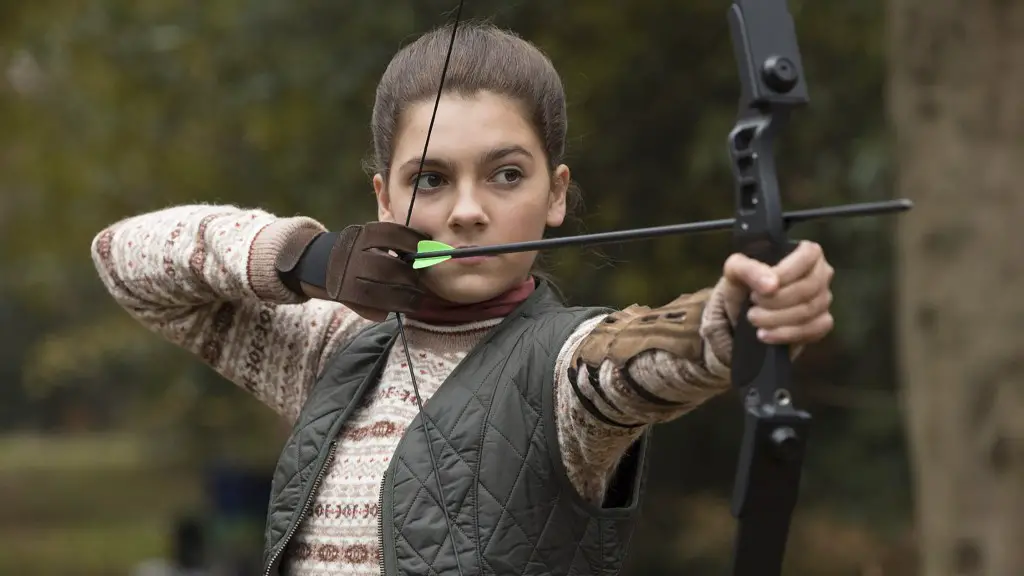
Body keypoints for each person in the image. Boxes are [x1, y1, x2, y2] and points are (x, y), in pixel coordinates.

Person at [92, 21, 835, 576]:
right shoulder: (335, 350)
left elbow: (638, 358)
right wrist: (302, 258)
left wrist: (738, 318)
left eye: (506, 175)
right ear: (385, 197)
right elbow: (122, 260)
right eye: (432, 178)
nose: (468, 211)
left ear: (556, 193)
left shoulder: (562, 372)